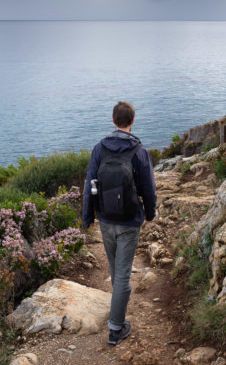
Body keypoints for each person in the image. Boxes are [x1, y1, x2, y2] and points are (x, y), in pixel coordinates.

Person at [82, 101, 157, 346]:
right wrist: (151, 213)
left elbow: (89, 184)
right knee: (123, 275)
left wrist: (87, 217)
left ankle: (118, 311)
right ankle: (116, 328)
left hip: (105, 219)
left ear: (113, 120)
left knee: (116, 271)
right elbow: (148, 188)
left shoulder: (99, 149)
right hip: (129, 222)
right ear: (131, 121)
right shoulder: (139, 151)